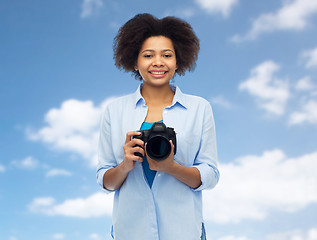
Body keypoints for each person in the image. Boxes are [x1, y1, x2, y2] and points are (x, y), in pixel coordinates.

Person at [96, 13, 219, 240]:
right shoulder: (115, 111)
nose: (158, 62)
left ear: (178, 60)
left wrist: (171, 167)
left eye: (167, 55)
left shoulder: (199, 108)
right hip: (130, 231)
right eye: (148, 55)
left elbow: (210, 175)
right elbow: (105, 180)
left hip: (184, 231)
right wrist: (125, 165)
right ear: (134, 61)